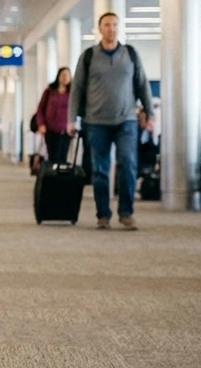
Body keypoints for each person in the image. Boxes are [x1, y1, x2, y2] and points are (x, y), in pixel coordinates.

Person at [68, 12, 154, 230]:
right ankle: (103, 214)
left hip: (126, 120)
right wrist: (71, 119)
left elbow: (142, 84)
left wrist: (150, 114)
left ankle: (126, 212)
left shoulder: (130, 54)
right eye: (107, 25)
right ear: (100, 29)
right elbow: (77, 89)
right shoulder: (89, 56)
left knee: (128, 164)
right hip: (96, 121)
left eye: (115, 25)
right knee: (100, 169)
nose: (111, 29)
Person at [36, 67, 73, 164]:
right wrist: (41, 124)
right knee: (52, 157)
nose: (65, 77)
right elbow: (40, 109)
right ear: (58, 76)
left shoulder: (72, 93)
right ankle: (51, 172)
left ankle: (60, 173)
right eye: (62, 75)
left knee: (63, 157)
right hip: (50, 130)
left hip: (66, 131)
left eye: (67, 75)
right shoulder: (49, 91)